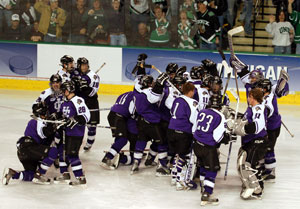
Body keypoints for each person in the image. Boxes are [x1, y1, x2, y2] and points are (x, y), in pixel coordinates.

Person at [228, 88, 268, 199]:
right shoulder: (252, 108)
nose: (248, 98)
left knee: (246, 165)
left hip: (257, 141)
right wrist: (235, 116)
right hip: (249, 141)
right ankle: (252, 185)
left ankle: (256, 189)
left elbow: (256, 127)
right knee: (244, 165)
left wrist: (237, 129)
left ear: (253, 98)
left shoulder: (259, 109)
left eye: (249, 96)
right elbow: (247, 119)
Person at [2, 109, 58, 185]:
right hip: (29, 148)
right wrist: (54, 127)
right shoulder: (36, 122)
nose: (45, 117)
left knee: (31, 175)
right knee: (53, 151)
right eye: (43, 115)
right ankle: (40, 174)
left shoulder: (35, 123)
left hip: (23, 152)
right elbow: (44, 134)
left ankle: (12, 173)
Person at [193, 94, 230, 205]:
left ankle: (203, 188)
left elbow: (194, 129)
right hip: (208, 147)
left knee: (203, 166)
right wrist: (226, 138)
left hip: (196, 145)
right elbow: (217, 137)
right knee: (212, 170)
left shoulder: (202, 112)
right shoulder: (220, 116)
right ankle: (207, 194)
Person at [131, 73, 170, 175]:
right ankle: (162, 166)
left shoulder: (137, 92)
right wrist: (159, 84)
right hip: (152, 122)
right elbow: (155, 98)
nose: (153, 83)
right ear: (148, 84)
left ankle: (136, 163)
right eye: (151, 82)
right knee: (161, 142)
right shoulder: (148, 92)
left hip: (141, 122)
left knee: (141, 141)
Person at [53, 81, 91, 186]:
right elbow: (63, 115)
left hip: (76, 133)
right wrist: (56, 116)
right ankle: (64, 174)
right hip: (66, 132)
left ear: (68, 90)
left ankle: (80, 178)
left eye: (63, 90)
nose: (61, 92)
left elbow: (86, 116)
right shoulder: (65, 101)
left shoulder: (77, 100)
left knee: (72, 155)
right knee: (62, 152)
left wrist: (74, 119)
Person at [168, 81, 199, 190]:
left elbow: (172, 112)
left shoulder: (177, 99)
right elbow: (193, 119)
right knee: (183, 155)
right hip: (183, 131)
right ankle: (179, 181)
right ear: (191, 91)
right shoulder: (193, 102)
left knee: (177, 154)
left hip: (171, 129)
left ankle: (174, 176)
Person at [100, 91, 138, 169]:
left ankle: (116, 153)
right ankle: (108, 157)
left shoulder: (127, 93)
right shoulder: (138, 96)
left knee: (120, 138)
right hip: (119, 117)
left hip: (112, 115)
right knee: (123, 139)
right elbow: (132, 112)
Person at [256, 79, 282, 182]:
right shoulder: (268, 95)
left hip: (272, 128)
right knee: (264, 147)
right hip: (273, 126)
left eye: (259, 87)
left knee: (268, 148)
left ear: (264, 88)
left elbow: (267, 112)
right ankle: (264, 167)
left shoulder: (267, 100)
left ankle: (270, 171)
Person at [72, 57, 100, 151]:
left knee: (91, 126)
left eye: (86, 65)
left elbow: (92, 93)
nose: (84, 67)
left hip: (91, 103)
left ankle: (90, 142)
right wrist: (75, 83)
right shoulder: (74, 72)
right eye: (82, 65)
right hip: (79, 103)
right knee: (78, 123)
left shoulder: (94, 76)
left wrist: (85, 87)